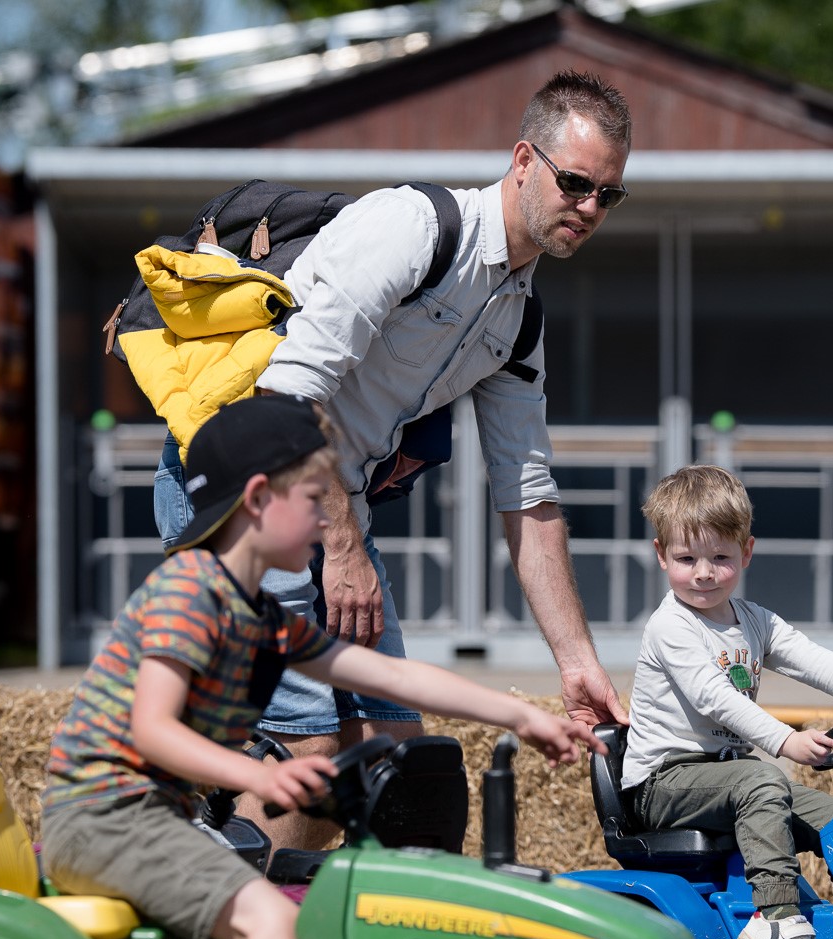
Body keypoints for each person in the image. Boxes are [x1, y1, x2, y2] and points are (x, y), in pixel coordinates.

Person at [47, 396, 600, 939]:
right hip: (104, 812)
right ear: (259, 499)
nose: (327, 519)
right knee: (270, 920)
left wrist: (521, 713)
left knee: (309, 927)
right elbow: (155, 730)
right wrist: (258, 775)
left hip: (151, 817)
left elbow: (388, 676)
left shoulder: (264, 616)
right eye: (315, 500)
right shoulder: (188, 592)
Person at [155, 70, 634, 852]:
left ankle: (245, 858)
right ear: (523, 159)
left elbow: (528, 498)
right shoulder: (412, 226)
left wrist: (576, 663)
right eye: (575, 182)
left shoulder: (519, 322)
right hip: (243, 496)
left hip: (328, 505)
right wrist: (342, 551)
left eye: (607, 195)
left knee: (397, 774)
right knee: (308, 761)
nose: (587, 207)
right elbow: (289, 396)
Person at [621, 465, 833, 939]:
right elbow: (712, 698)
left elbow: (812, 660)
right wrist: (785, 741)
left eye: (720, 558)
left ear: (747, 552)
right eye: (686, 559)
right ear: (660, 555)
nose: (703, 573)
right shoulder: (670, 625)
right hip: (663, 784)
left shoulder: (752, 620)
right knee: (762, 780)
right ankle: (778, 922)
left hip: (725, 779)